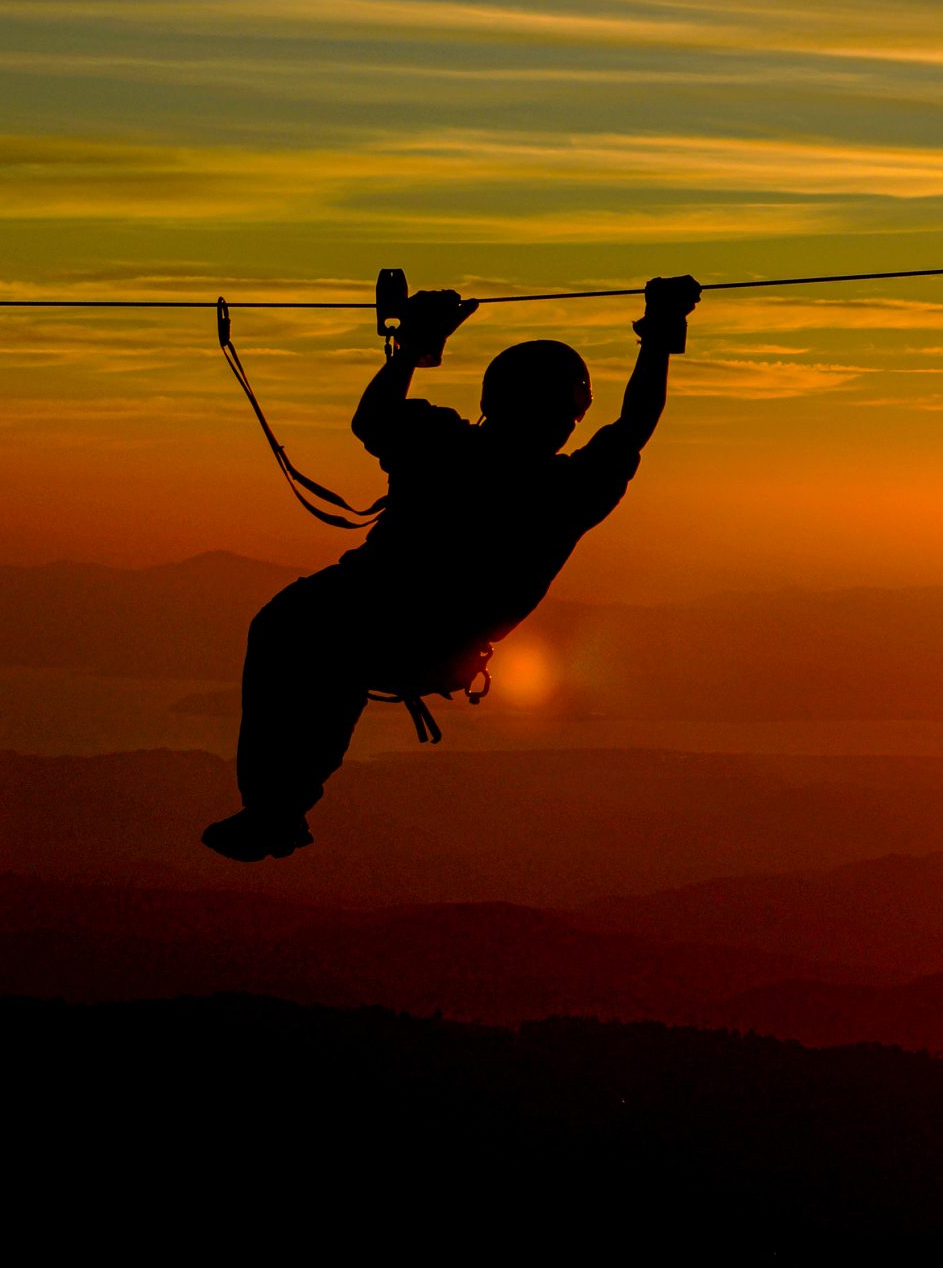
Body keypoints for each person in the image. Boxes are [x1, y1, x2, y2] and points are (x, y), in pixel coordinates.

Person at [201, 276, 705, 862]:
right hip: (435, 649)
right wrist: (661, 331)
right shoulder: (568, 490)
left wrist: (414, 348)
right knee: (320, 652)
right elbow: (637, 421)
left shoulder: (442, 445)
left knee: (295, 637)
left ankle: (275, 809)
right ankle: (277, 810)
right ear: (571, 415)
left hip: (368, 615)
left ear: (494, 400)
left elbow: (374, 419)